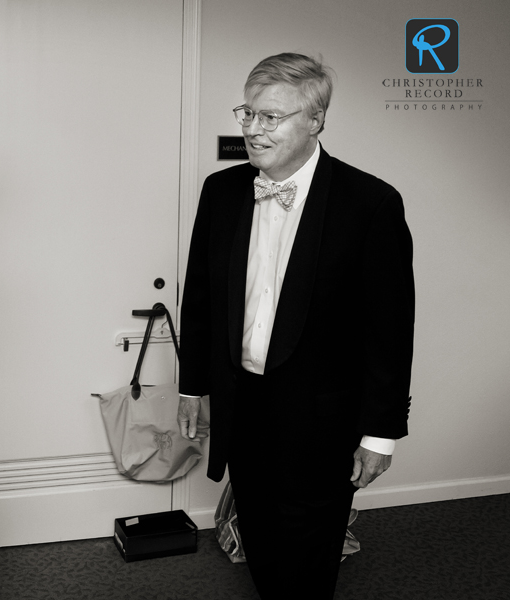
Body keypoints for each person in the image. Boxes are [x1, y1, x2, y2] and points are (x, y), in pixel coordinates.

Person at [177, 53, 414, 599]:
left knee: (309, 555)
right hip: (243, 405)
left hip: (323, 418)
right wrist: (194, 383)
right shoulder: (222, 191)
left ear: (315, 121)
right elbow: (203, 297)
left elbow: (390, 328)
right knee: (259, 538)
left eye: (271, 118)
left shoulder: (371, 203)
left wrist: (381, 433)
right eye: (248, 113)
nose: (253, 130)